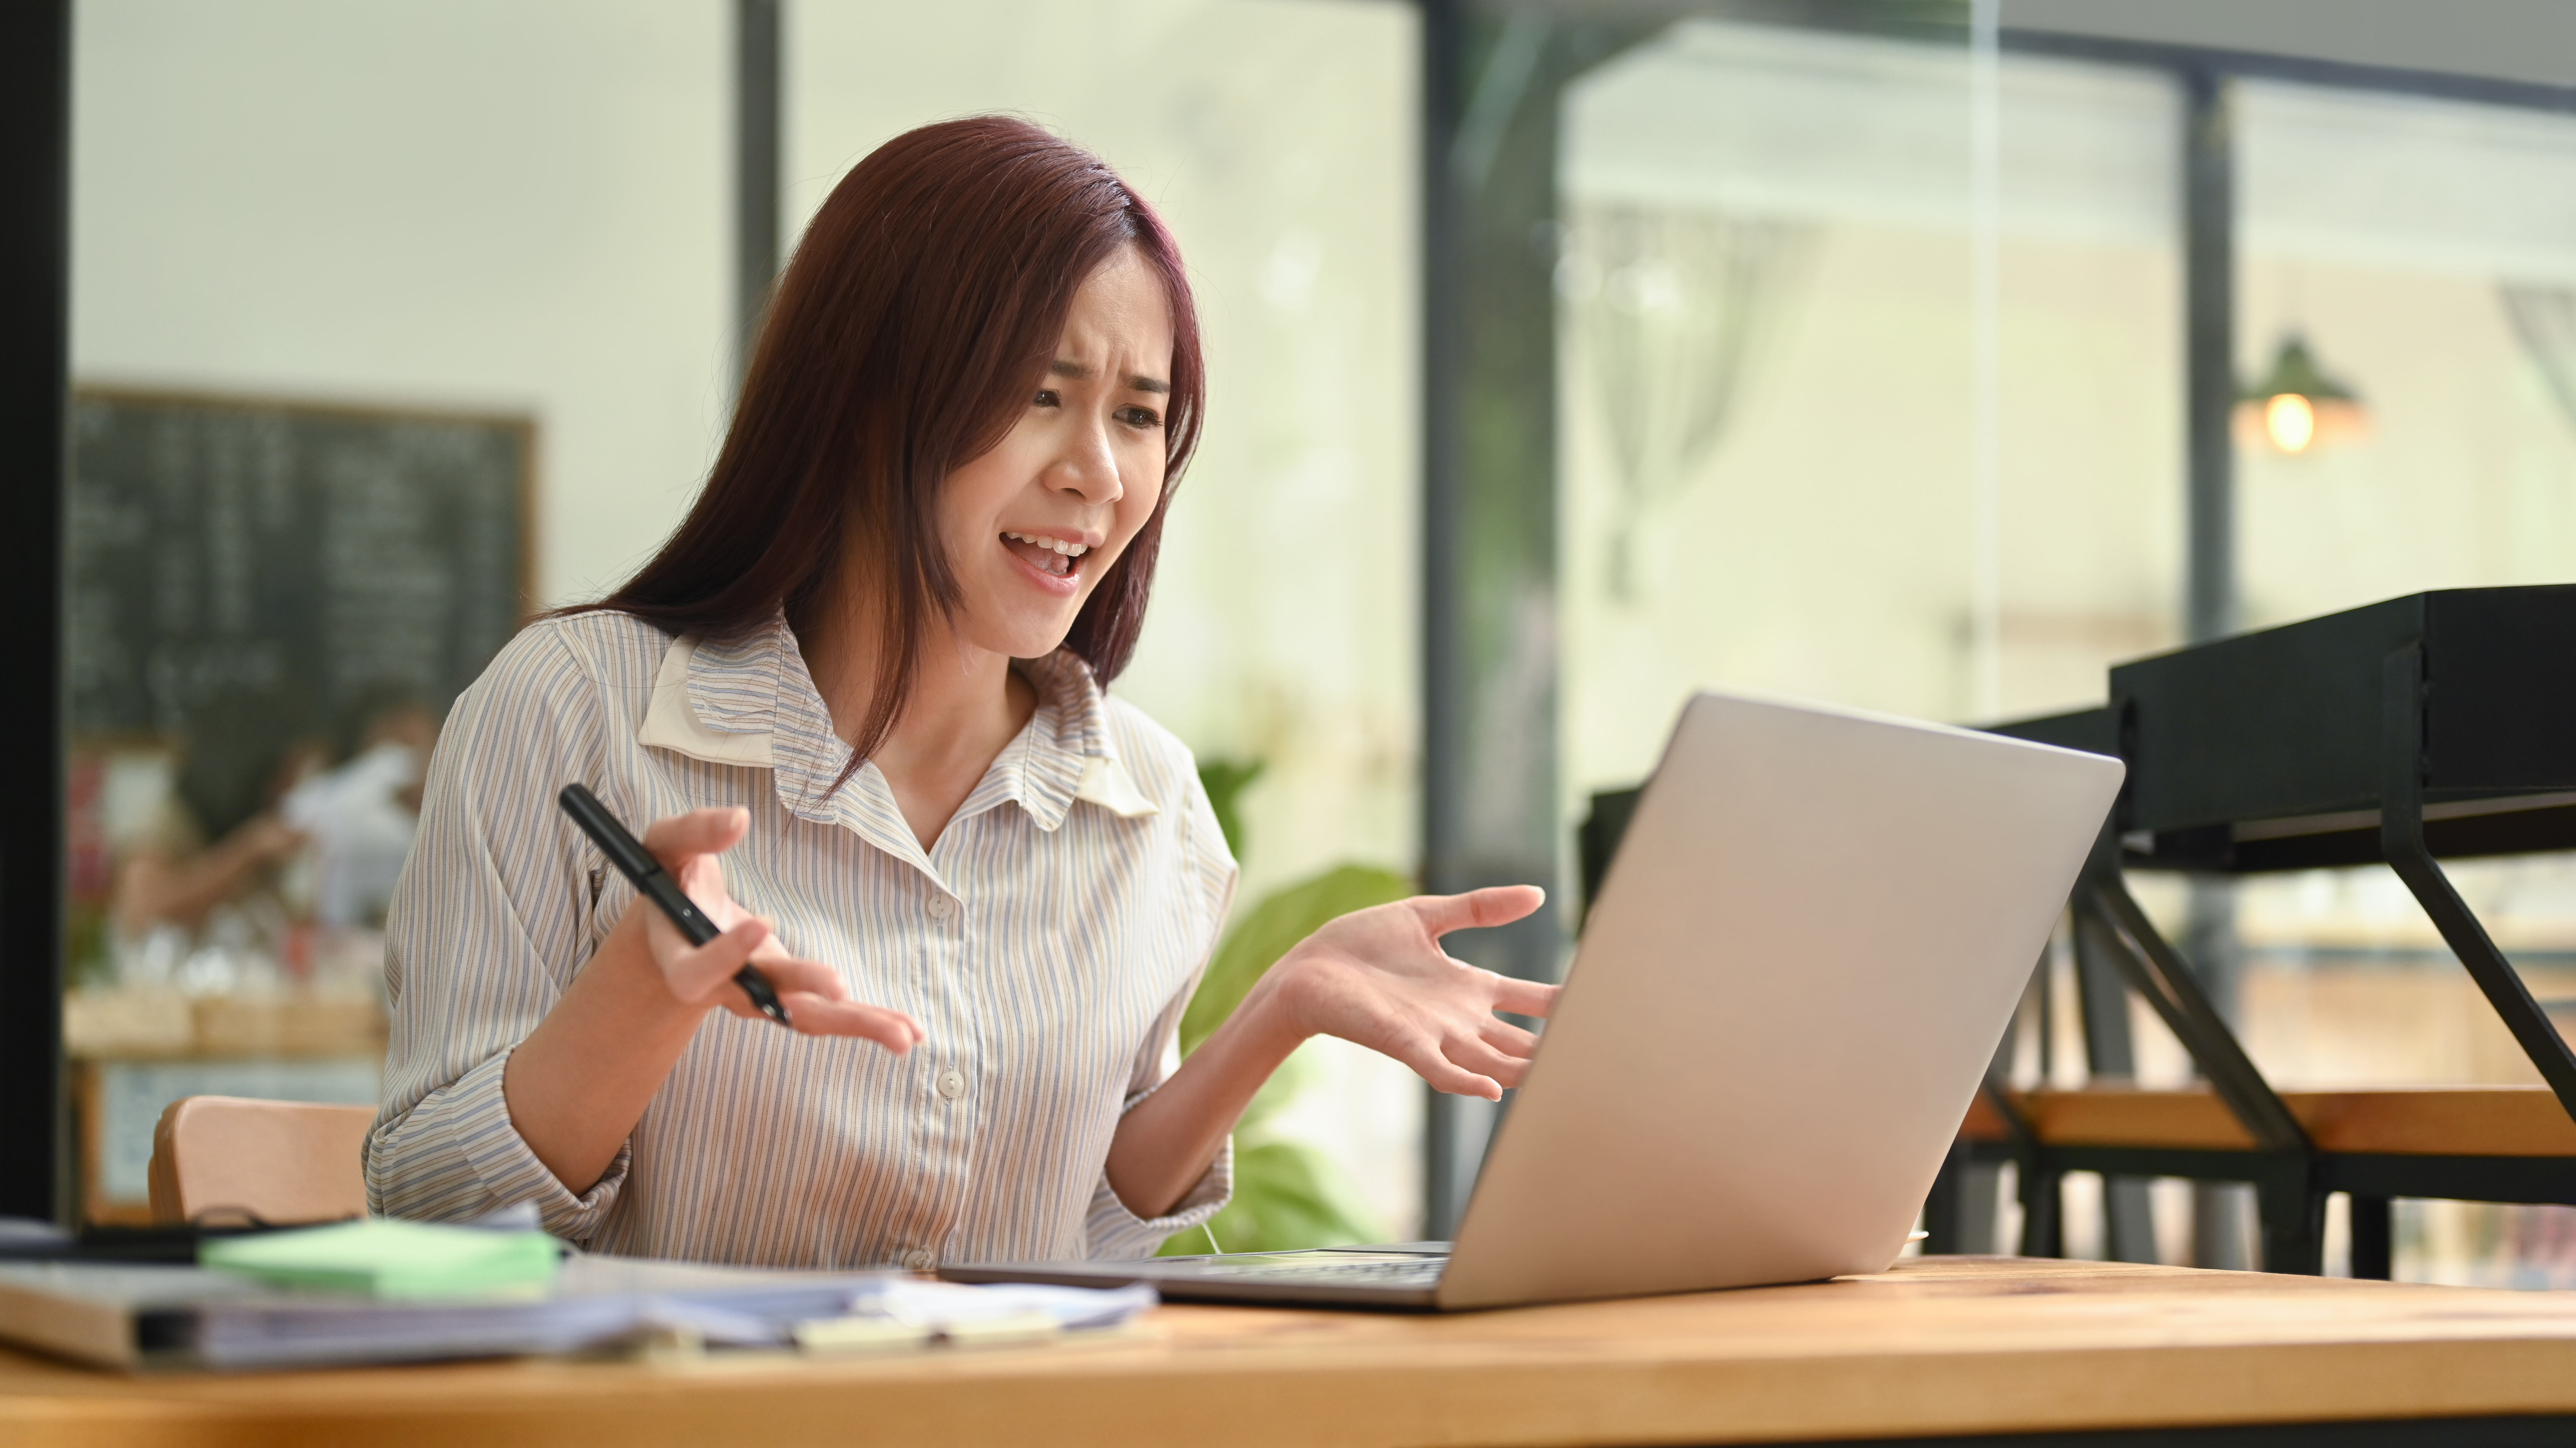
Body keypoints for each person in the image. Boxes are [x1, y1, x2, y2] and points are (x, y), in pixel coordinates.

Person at [365, 116, 1552, 1267]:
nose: (1098, 472)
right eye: (1041, 393)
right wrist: (637, 1000)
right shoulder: (571, 712)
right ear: (868, 398)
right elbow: (423, 1212)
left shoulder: (1150, 804)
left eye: (1139, 415)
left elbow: (1078, 1234)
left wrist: (1283, 1006)